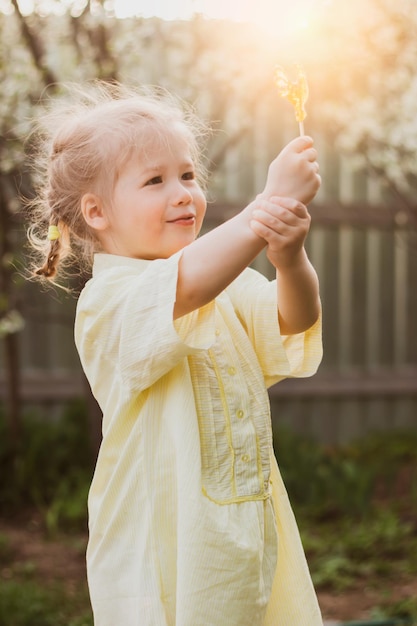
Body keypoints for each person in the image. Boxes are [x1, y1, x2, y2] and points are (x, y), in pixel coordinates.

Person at [28, 81, 323, 626]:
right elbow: (182, 288)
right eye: (155, 180)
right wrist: (268, 206)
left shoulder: (223, 283)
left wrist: (290, 260)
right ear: (96, 211)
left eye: (188, 174)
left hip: (244, 533)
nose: (183, 192)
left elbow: (292, 321)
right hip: (163, 538)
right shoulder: (110, 300)